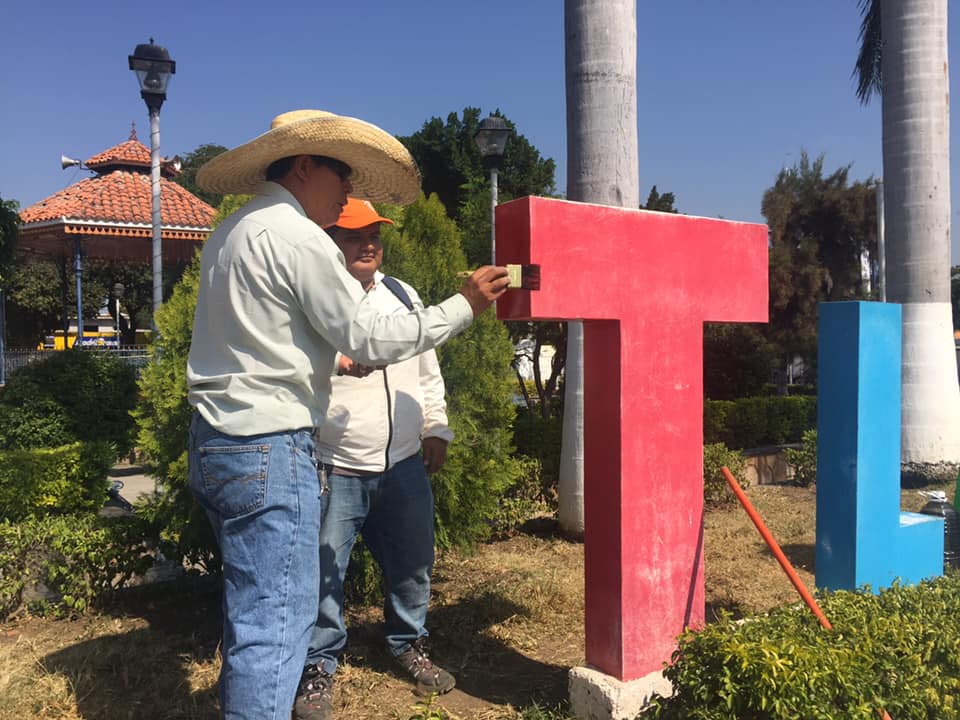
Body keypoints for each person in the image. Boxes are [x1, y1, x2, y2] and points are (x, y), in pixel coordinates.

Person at [186, 110, 509, 720]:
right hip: (268, 446)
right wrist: (464, 305)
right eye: (343, 178)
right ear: (306, 166)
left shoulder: (233, 231)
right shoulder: (297, 236)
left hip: (219, 440)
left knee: (253, 610)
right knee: (276, 624)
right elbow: (366, 339)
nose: (349, 195)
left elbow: (265, 341)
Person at [293, 199, 455, 720]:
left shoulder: (402, 294)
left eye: (375, 235)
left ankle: (408, 642)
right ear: (330, 242)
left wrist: (436, 426)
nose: (369, 244)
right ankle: (317, 664)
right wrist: (338, 366)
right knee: (323, 571)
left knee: (413, 562)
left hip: (404, 461)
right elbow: (294, 370)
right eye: (354, 235)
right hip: (334, 462)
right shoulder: (316, 299)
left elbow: (427, 368)